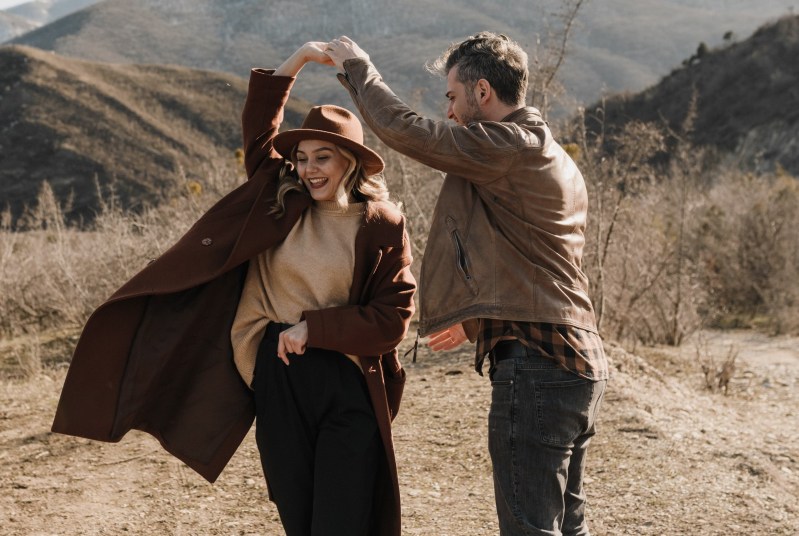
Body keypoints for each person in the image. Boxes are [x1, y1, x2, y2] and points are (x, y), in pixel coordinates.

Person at [51, 42, 416, 536]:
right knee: (298, 514)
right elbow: (261, 127)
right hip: (278, 375)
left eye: (323, 158)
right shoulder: (276, 196)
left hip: (346, 384)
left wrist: (315, 327)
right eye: (303, 158)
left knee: (342, 519)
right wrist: (298, 60)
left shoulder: (381, 223)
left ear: (350, 161)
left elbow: (393, 317)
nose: (309, 170)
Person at [324, 33, 608, 536]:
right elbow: (531, 259)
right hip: (575, 358)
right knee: (568, 526)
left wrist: (360, 70)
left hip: (538, 364)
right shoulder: (550, 154)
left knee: (530, 528)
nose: (449, 113)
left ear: (482, 92)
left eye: (452, 97)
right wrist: (478, 318)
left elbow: (409, 131)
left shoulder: (507, 145)